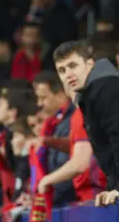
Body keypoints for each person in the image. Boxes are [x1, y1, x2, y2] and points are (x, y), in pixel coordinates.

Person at [52, 41, 119, 206]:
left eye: (73, 65)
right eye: (62, 70)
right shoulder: (92, 92)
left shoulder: (106, 88)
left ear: (89, 64)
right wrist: (113, 187)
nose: (68, 74)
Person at [32, 72, 76, 206]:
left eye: (44, 98)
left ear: (61, 95)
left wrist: (50, 197)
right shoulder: (55, 124)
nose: (40, 103)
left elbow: (69, 166)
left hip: (71, 201)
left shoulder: (73, 120)